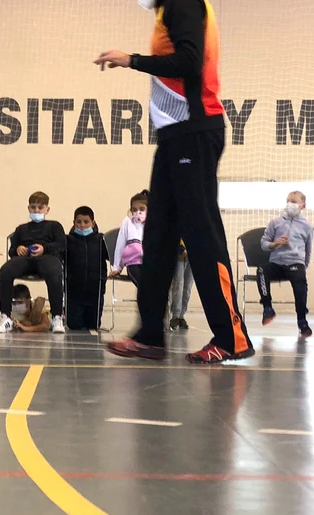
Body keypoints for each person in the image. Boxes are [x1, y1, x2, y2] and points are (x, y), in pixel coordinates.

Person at [94, 0, 254, 363]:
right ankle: (151, 335)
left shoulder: (183, 3)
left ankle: (232, 338)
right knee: (158, 235)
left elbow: (189, 61)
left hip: (195, 133)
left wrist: (132, 59)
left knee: (201, 236)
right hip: (173, 138)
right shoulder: (168, 10)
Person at [0, 191, 67, 334]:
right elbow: (12, 250)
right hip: (25, 259)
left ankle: (57, 317)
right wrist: (18, 249)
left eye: (40, 207)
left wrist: (44, 248)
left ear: (47, 209)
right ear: (28, 208)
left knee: (54, 271)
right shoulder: (21, 229)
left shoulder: (55, 226)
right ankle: (5, 317)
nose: (36, 210)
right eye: (33, 207)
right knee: (5, 271)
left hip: (47, 257)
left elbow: (62, 245)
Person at [258, 191, 314, 337]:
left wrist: (303, 266)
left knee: (300, 282)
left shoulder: (307, 226)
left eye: (294, 201)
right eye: (288, 201)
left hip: (295, 263)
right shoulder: (275, 222)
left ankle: (302, 321)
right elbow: (263, 244)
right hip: (276, 263)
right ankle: (267, 308)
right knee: (262, 270)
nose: (290, 204)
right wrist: (274, 244)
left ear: (303, 205)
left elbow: (308, 250)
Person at [65, 206, 108, 330]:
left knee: (93, 326)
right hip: (74, 293)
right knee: (74, 326)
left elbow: (113, 257)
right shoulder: (68, 240)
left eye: (86, 222)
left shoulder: (101, 240)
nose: (82, 225)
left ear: (93, 223)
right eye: (78, 222)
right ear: (73, 223)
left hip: (95, 291)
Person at [109, 191, 148, 287]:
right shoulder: (127, 222)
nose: (138, 212)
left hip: (149, 263)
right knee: (144, 286)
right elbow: (120, 245)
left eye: (142, 209)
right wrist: (117, 268)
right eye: (134, 210)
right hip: (133, 263)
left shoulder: (153, 224)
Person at [168, 239, 193, 330]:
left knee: (188, 287)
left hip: (192, 257)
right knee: (178, 285)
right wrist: (181, 249)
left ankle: (182, 316)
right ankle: (175, 316)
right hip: (179, 255)